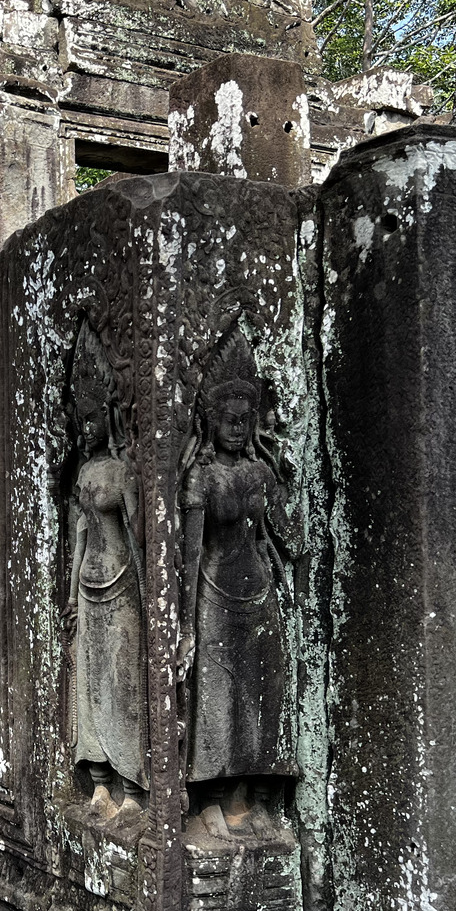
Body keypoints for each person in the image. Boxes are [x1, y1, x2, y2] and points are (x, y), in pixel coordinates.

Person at [177, 327, 292, 837]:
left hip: (259, 591)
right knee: (217, 698)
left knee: (258, 695)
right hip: (213, 592)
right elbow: (190, 549)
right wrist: (182, 619)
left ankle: (252, 794)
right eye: (228, 419)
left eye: (246, 420)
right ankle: (213, 798)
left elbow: (278, 537)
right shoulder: (201, 478)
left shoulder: (261, 475)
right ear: (210, 419)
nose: (238, 428)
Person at [65, 321, 147, 822]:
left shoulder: (122, 473)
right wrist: (73, 593)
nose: (85, 427)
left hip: (123, 591)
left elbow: (137, 538)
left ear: (110, 415)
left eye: (92, 417)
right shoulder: (82, 473)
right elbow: (80, 536)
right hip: (91, 588)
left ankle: (134, 787)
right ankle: (100, 781)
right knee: (91, 687)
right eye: (80, 419)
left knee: (123, 684)